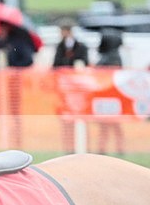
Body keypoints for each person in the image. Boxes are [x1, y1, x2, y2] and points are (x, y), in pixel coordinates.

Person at [0, 22, 35, 149]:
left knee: (15, 113)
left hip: (13, 84)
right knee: (0, 111)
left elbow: (28, 61)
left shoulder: (18, 42)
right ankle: (2, 135)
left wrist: (13, 69)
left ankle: (16, 138)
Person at [52, 20, 89, 153]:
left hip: (78, 89)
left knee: (80, 118)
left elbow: (85, 64)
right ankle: (68, 146)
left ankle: (82, 146)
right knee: (66, 118)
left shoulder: (81, 47)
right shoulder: (60, 47)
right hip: (64, 88)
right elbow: (55, 65)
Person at [95, 29, 125, 155]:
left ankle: (108, 148)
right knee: (112, 125)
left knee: (108, 126)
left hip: (108, 97)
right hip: (113, 98)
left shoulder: (109, 58)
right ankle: (116, 148)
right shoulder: (117, 57)